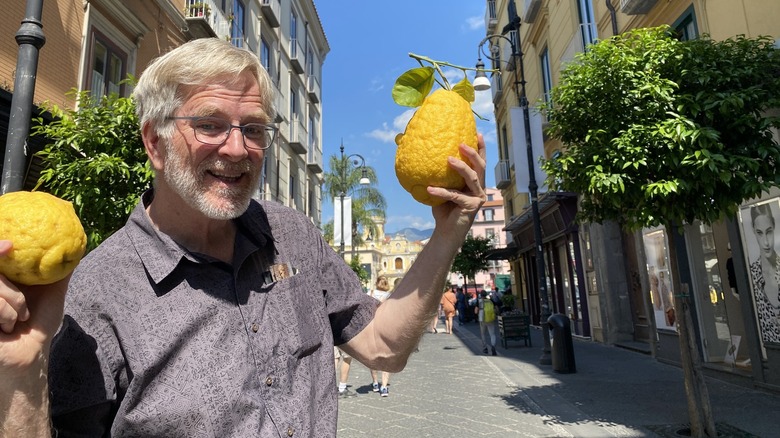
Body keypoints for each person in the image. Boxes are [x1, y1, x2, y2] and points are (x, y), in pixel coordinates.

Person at [0, 38, 487, 437]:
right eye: (209, 124)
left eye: (254, 129)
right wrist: (21, 371)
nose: (238, 149)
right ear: (154, 142)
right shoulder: (95, 292)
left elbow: (383, 346)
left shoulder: (291, 233)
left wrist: (447, 232)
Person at [748, 204, 780, 343]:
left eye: (769, 232)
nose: (766, 242)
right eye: (760, 233)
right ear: (753, 231)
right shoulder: (753, 273)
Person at [369, 276, 393, 397]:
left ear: (376, 283)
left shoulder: (370, 293)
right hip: (386, 327)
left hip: (372, 328)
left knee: (373, 357)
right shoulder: (390, 296)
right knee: (386, 357)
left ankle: (374, 383)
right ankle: (384, 387)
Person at [478, 291, 498, 356]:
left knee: (483, 334)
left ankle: (485, 348)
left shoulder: (479, 302)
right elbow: (496, 309)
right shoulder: (490, 301)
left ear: (481, 295)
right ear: (486, 295)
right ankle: (493, 347)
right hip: (491, 319)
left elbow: (475, 311)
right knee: (492, 334)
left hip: (482, 319)